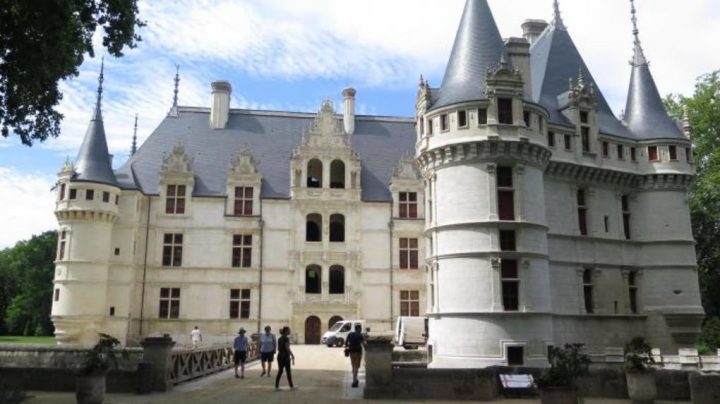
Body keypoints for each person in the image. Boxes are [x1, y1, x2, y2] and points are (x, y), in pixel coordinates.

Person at [345, 324, 366, 388]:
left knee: (353, 366)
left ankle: (355, 379)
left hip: (351, 352)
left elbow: (346, 343)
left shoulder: (350, 334)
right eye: (360, 328)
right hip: (358, 352)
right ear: (359, 329)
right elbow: (363, 344)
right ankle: (354, 381)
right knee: (356, 367)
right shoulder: (360, 335)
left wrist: (349, 346)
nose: (361, 330)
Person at [275, 326, 295, 390]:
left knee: (280, 371)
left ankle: (276, 386)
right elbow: (287, 348)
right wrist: (292, 355)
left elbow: (279, 348)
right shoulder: (286, 338)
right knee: (288, 371)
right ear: (286, 331)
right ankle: (291, 386)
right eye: (289, 330)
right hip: (285, 356)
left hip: (280, 355)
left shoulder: (279, 338)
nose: (290, 331)